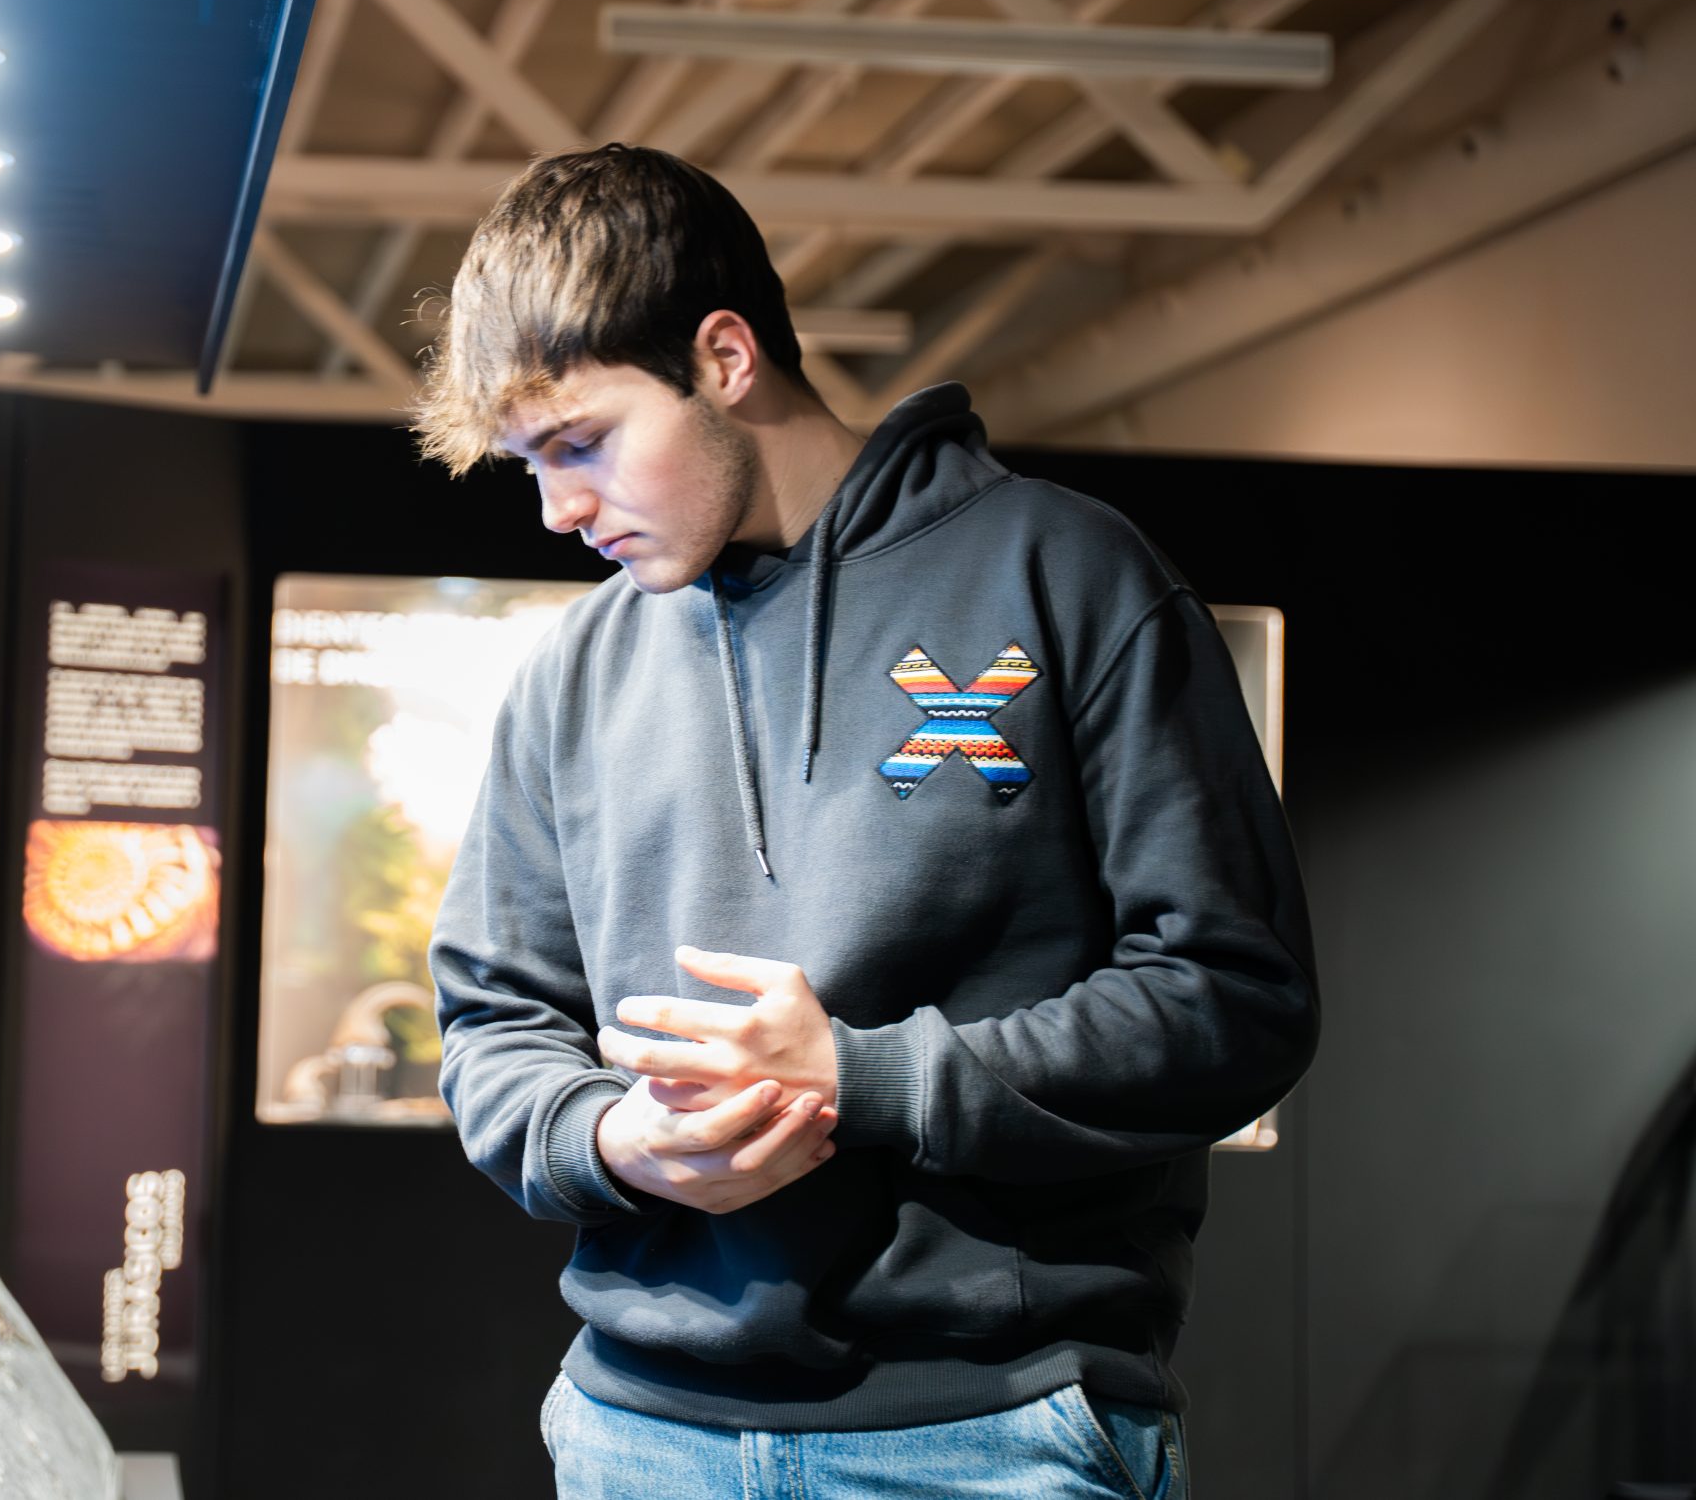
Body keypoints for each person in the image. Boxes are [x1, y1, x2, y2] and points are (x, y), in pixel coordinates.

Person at [420, 144, 1315, 1498]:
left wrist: (868, 1076)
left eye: (583, 443)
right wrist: (612, 1140)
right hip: (638, 1435)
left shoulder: (1064, 576)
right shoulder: (575, 672)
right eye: (528, 464)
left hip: (994, 1432)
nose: (559, 509)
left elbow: (1233, 997)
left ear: (726, 358)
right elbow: (494, 1020)